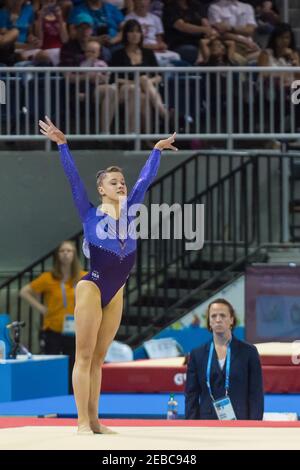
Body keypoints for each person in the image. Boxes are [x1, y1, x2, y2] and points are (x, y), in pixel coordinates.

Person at [38, 115, 177, 434]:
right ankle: (82, 422)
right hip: (93, 287)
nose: (121, 184)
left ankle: (96, 420)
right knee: (84, 356)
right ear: (101, 188)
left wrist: (156, 150)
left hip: (118, 290)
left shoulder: (131, 209)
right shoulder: (88, 212)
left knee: (100, 359)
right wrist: (63, 146)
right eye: (113, 182)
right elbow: (73, 180)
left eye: (121, 181)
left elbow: (144, 180)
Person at [20, 240, 86, 393]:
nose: (65, 254)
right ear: (57, 255)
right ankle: (52, 392)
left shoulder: (83, 277)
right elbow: (24, 291)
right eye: (62, 251)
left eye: (69, 251)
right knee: (52, 361)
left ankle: (73, 393)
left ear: (75, 255)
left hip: (76, 329)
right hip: (53, 327)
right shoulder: (48, 278)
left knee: (75, 363)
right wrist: (41, 308)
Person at [185, 298, 264, 420]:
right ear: (209, 322)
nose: (218, 320)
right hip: (206, 423)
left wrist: (254, 425)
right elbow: (191, 395)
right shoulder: (197, 354)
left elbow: (256, 394)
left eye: (222, 315)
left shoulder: (249, 352)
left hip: (240, 422)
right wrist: (191, 425)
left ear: (231, 320)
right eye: (213, 316)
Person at [110, 19, 169, 134]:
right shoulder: (118, 54)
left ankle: (144, 138)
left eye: (137, 32)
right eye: (131, 31)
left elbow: (158, 76)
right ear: (125, 34)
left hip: (146, 90)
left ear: (141, 35)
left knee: (143, 97)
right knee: (141, 82)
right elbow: (114, 78)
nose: (134, 35)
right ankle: (163, 113)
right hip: (125, 90)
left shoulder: (148, 53)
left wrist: (145, 82)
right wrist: (138, 82)